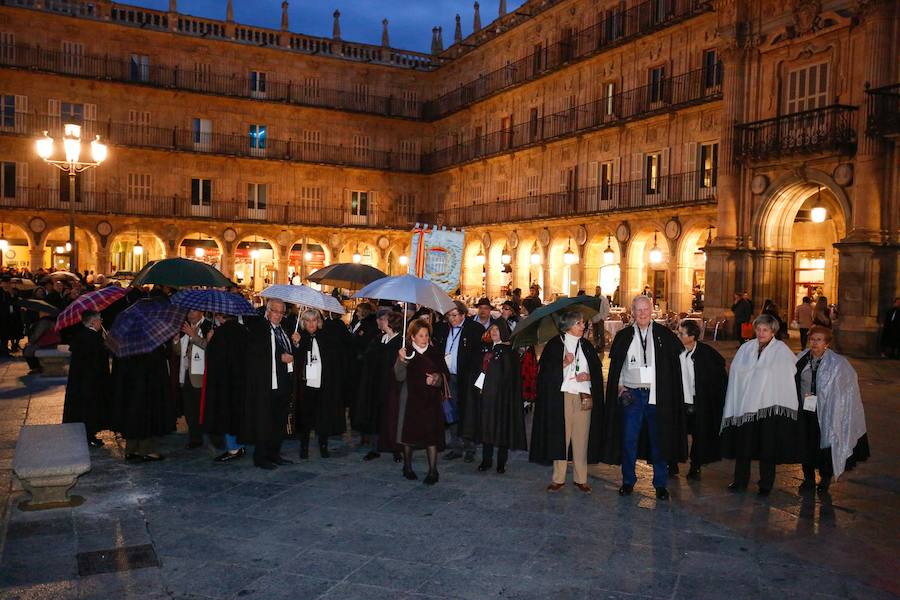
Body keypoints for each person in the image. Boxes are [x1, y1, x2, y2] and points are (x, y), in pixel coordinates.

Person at [601, 295, 686, 499]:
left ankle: (660, 484)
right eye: (638, 310)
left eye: (645, 309)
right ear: (632, 312)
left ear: (651, 311)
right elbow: (618, 365)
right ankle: (628, 481)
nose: (642, 313)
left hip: (656, 396)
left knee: (659, 439)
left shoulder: (664, 335)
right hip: (633, 394)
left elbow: (674, 366)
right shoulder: (624, 336)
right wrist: (620, 386)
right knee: (629, 439)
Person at [720, 313, 802, 496]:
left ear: (773, 331)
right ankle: (740, 480)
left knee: (767, 446)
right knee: (744, 444)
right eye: (758, 329)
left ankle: (766, 484)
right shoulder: (746, 349)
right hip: (746, 406)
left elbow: (790, 374)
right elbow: (736, 373)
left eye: (765, 329)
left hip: (768, 407)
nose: (761, 333)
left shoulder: (781, 351)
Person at [530, 310, 605, 493]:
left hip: (583, 397)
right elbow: (544, 374)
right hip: (561, 397)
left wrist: (588, 376)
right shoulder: (555, 345)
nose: (583, 326)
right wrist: (562, 364)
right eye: (579, 323)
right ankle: (558, 478)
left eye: (582, 323)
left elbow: (596, 371)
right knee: (560, 437)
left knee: (581, 438)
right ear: (569, 326)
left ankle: (581, 478)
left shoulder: (586, 345)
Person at [796, 326, 870, 493]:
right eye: (813, 339)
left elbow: (847, 386)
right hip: (805, 409)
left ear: (827, 343)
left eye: (819, 340)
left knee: (826, 444)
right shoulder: (801, 358)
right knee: (805, 443)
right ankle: (807, 478)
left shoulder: (838, 364)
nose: (815, 343)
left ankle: (825, 477)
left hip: (828, 411)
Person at [463, 321, 526, 474]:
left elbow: (511, 377)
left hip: (502, 398)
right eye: (492, 329)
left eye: (497, 329)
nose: (494, 332)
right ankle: (486, 460)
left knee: (502, 429)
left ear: (503, 331)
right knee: (486, 427)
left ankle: (501, 462)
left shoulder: (509, 351)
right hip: (485, 397)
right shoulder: (484, 348)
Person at [393, 318, 450, 485]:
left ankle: (433, 471)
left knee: (431, 436)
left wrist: (437, 378)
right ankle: (407, 467)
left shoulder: (435, 352)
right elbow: (398, 376)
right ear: (412, 337)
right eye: (420, 335)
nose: (424, 338)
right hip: (411, 399)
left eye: (426, 335)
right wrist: (401, 360)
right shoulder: (406, 352)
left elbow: (445, 375)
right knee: (409, 435)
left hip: (431, 400)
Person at [669, 319, 727, 480]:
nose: (678, 335)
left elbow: (718, 377)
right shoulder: (674, 351)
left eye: (681, 333)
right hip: (679, 401)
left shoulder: (707, 354)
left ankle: (696, 466)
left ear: (692, 336)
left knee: (699, 435)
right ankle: (672, 463)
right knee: (675, 432)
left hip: (699, 401)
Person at [243, 299, 296, 470]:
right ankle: (261, 456)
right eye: (276, 311)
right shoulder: (259, 329)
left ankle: (274, 453)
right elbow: (254, 354)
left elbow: (291, 352)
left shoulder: (285, 329)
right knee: (264, 421)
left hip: (283, 382)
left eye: (282, 312)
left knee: (279, 421)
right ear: (268, 310)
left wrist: (296, 343)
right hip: (266, 383)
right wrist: (278, 358)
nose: (279, 315)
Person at [431, 300, 484, 463]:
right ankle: (456, 446)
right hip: (448, 377)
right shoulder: (442, 328)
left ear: (463, 314)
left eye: (454, 315)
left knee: (467, 412)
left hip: (467, 378)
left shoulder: (475, 329)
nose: (451, 319)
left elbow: (478, 356)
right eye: (448, 316)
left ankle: (469, 447)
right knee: (450, 411)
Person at [110, 342, 176, 462]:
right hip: (145, 387)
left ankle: (131, 450)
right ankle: (147, 450)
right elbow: (158, 364)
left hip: (128, 387)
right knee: (146, 417)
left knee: (132, 416)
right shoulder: (149, 342)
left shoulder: (123, 342)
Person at [353, 308, 405, 461]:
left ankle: (396, 448)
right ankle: (375, 448)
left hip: (392, 386)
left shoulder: (400, 342)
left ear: (389, 322)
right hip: (376, 384)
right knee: (375, 416)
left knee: (392, 416)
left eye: (382, 319)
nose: (378, 322)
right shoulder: (378, 339)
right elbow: (368, 358)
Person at [294, 308, 346, 459]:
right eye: (308, 321)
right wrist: (296, 344)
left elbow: (333, 360)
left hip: (324, 383)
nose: (311, 324)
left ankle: (323, 445)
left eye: (314, 320)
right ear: (303, 322)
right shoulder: (299, 337)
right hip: (306, 384)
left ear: (319, 322)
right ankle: (304, 447)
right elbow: (295, 360)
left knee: (324, 415)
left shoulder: (326, 338)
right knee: (306, 417)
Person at [202, 312, 249, 463]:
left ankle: (233, 448)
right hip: (242, 381)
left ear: (221, 317)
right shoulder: (244, 331)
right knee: (238, 414)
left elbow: (214, 360)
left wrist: (209, 342)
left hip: (225, 383)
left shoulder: (220, 333)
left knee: (227, 415)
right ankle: (239, 445)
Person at [62, 310, 110, 447]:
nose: (101, 321)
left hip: (80, 380)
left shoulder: (81, 335)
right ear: (93, 322)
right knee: (90, 409)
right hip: (92, 381)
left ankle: (86, 434)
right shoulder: (94, 338)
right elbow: (99, 359)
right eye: (100, 319)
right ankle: (90, 435)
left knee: (81, 407)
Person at [175, 309, 213, 449]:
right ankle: (194, 437)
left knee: (201, 408)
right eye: (188, 311)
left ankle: (204, 434)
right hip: (186, 372)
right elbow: (179, 351)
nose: (190, 314)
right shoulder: (184, 326)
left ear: (201, 312)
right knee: (189, 408)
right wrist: (175, 341)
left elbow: (210, 348)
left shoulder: (208, 326)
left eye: (194, 311)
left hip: (201, 374)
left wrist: (193, 336)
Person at [590, 288, 611, 359]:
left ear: (600, 290)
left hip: (600, 318)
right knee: (595, 333)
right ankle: (596, 345)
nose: (597, 291)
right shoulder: (593, 298)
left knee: (601, 333)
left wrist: (603, 317)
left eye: (598, 290)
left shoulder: (603, 299)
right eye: (596, 290)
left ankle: (601, 346)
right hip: (594, 318)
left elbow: (607, 309)